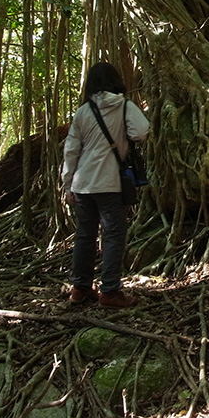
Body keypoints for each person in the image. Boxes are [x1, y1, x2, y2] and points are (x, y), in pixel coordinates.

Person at [62, 62, 150, 309]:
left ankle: (80, 288)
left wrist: (67, 184)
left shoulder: (82, 112)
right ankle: (109, 291)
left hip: (82, 183)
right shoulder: (124, 106)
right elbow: (141, 132)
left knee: (85, 235)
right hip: (109, 182)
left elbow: (71, 150)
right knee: (113, 236)